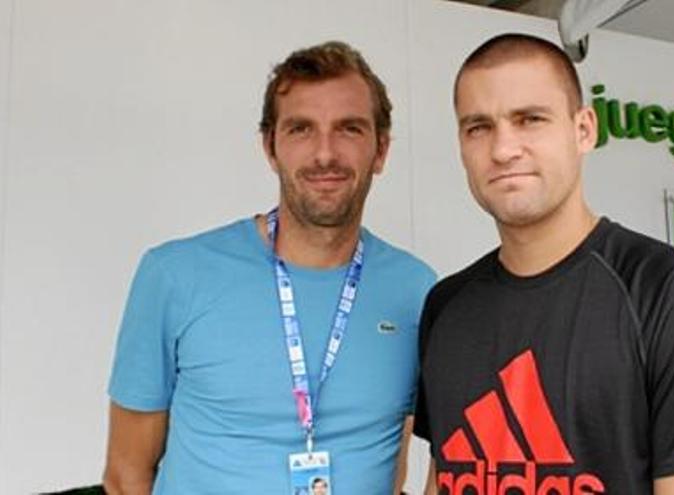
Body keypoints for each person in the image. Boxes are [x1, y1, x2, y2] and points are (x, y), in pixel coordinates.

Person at [415, 33, 674, 494]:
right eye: (479, 127)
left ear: (584, 130)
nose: (503, 149)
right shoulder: (445, 306)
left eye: (530, 119)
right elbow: (448, 474)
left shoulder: (668, 290)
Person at [102, 41, 435, 494]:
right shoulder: (174, 275)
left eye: (349, 129)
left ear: (381, 151)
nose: (324, 154)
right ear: (270, 147)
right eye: (301, 129)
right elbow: (126, 476)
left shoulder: (416, 290)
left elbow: (390, 454)